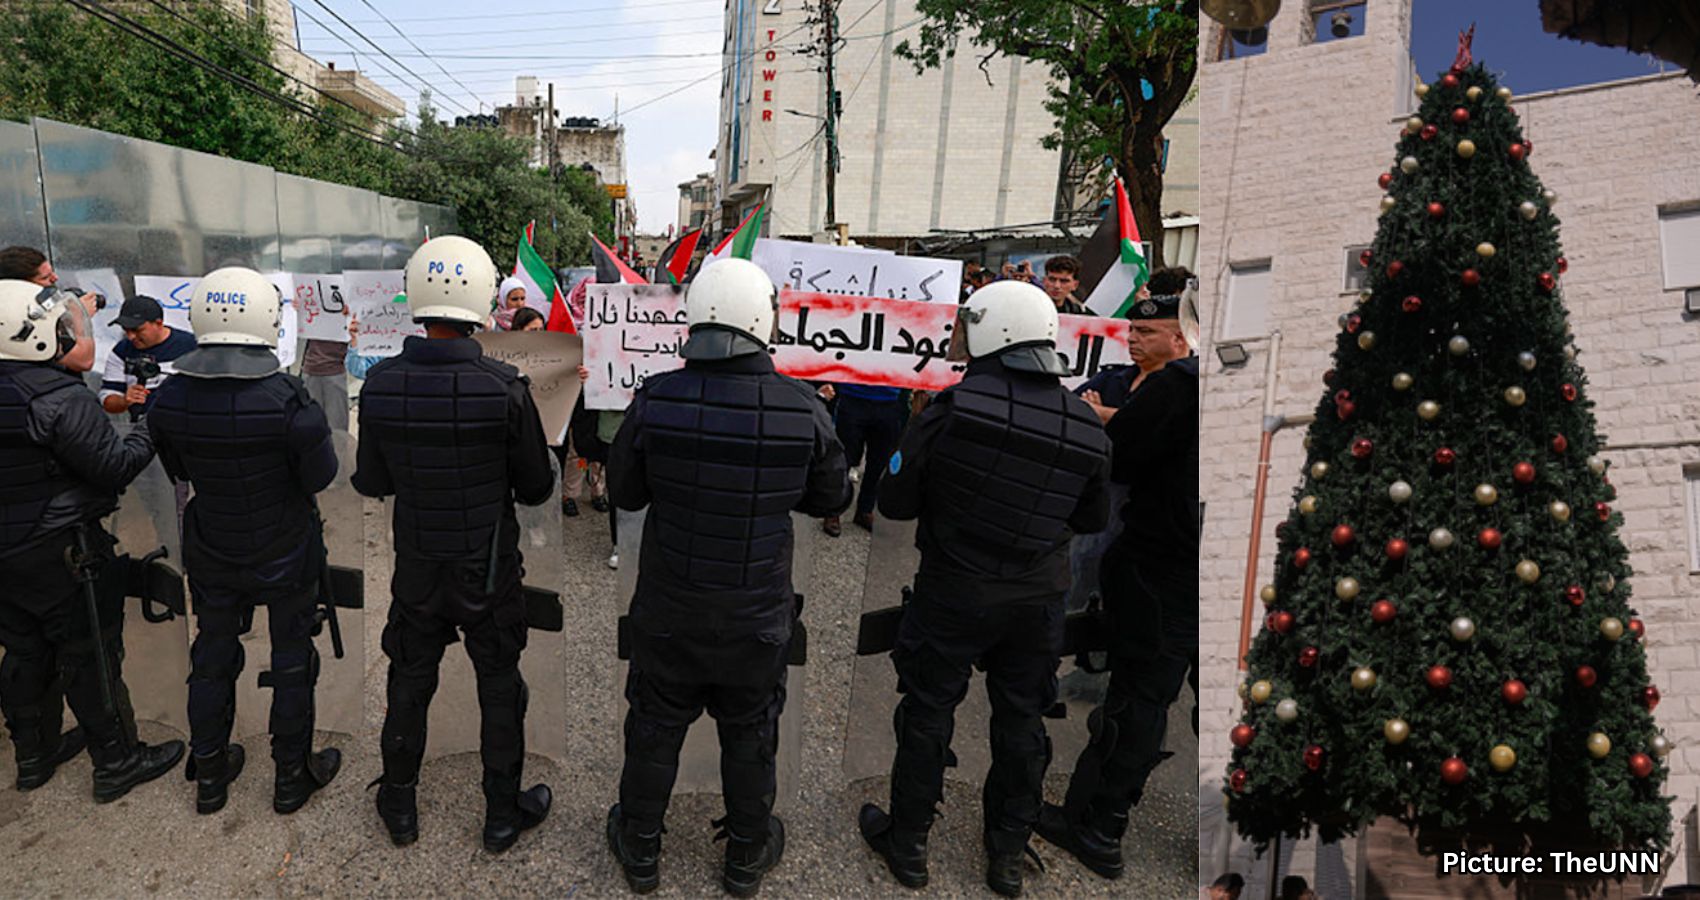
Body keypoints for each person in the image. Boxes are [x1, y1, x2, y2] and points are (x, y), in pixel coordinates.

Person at [604, 258, 851, 897]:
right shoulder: (802, 406)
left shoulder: (656, 397)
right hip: (757, 614)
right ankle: (745, 859)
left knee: (655, 726)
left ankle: (640, 850)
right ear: (763, 320)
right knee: (750, 732)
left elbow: (625, 494)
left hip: (669, 607)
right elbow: (831, 501)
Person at [860, 280, 1111, 897]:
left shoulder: (950, 409)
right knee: (1022, 722)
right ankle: (1006, 854)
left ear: (993, 333)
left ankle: (909, 845)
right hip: (1037, 601)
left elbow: (894, 499)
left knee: (927, 713)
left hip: (954, 592)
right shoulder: (1086, 424)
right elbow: (1090, 519)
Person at [354, 236, 556, 853]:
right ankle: (501, 816)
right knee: (500, 687)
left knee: (409, 683)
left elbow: (371, 481)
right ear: (482, 300)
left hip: (417, 565)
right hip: (488, 570)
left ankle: (399, 803)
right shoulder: (506, 388)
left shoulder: (383, 384)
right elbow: (537, 487)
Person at [146, 268, 343, 816]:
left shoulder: (169, 398)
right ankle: (290, 777)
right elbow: (319, 477)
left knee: (211, 656)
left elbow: (178, 468)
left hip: (212, 544)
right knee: (291, 659)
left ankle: (209, 774)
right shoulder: (287, 398)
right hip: (285, 546)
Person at [1035, 287, 1199, 881]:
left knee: (1138, 703)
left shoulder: (1183, 385)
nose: (1133, 338)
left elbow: (1124, 455)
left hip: (1166, 570)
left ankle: (1097, 828)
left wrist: (1109, 420)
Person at [0, 279, 185, 802]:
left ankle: (34, 755)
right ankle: (118, 760)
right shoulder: (58, 397)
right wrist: (150, 424)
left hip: (8, 550)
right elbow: (114, 468)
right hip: (62, 548)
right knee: (89, 653)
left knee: (23, 651)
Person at [1076, 267, 1194, 424]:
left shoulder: (1191, 386)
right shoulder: (1113, 378)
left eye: (1145, 332)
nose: (1131, 338)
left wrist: (1099, 413)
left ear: (1179, 338)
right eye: (1131, 330)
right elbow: (1065, 407)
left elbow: (1159, 427)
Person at [820, 380, 904, 537]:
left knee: (878, 463)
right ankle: (833, 510)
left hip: (890, 401)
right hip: (853, 396)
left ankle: (865, 509)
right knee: (842, 460)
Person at [0, 246, 101, 374]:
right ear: (21, 286)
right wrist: (79, 315)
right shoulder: (18, 320)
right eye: (45, 278)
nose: (55, 278)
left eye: (52, 272)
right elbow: (83, 361)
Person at [100, 295, 197, 418]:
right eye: (126, 330)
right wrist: (124, 401)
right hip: (141, 427)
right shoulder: (121, 351)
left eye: (137, 330)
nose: (131, 337)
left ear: (158, 323)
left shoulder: (191, 346)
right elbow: (107, 398)